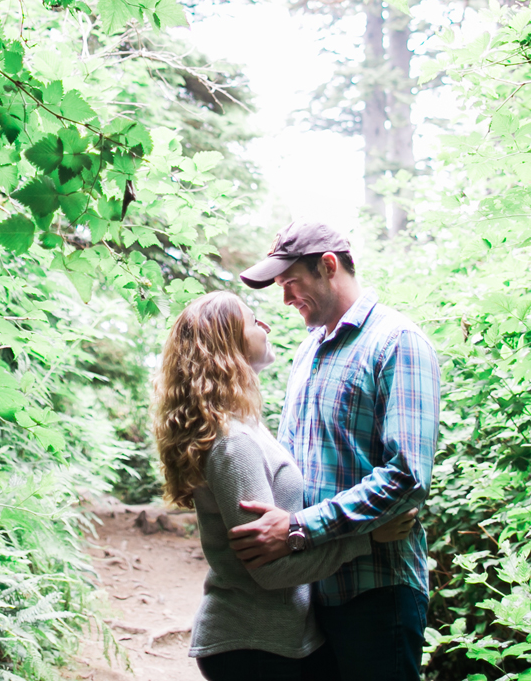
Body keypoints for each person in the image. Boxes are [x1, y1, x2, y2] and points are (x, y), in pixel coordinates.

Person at [155, 291, 418, 681]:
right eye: (253, 320)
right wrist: (365, 539)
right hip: (251, 642)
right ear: (228, 343)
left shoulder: (245, 427)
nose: (266, 325)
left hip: (274, 639)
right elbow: (269, 570)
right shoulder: (234, 444)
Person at [227, 222, 441, 681]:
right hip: (308, 592)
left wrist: (299, 529)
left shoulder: (397, 342)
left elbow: (406, 478)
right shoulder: (309, 350)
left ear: (328, 266)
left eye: (291, 283)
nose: (284, 299)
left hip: (376, 591)